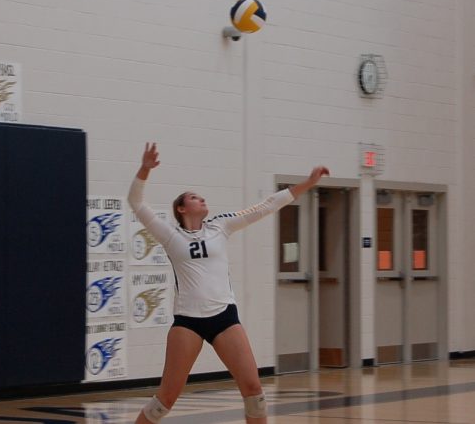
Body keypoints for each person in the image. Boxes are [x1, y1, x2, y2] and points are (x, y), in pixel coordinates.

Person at [128, 142, 329, 424]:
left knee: (254, 392)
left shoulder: (220, 225)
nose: (202, 200)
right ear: (182, 208)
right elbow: (136, 202)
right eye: (195, 197)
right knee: (166, 398)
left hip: (224, 317)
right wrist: (145, 169)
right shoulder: (170, 235)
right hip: (188, 322)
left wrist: (308, 183)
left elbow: (266, 206)